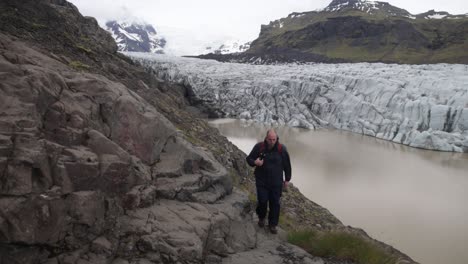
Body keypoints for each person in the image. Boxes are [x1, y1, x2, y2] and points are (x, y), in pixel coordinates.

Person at [246, 128, 291, 234]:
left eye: (274, 139)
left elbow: (287, 166)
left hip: (276, 182)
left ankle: (273, 224)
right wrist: (255, 162)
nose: (272, 142)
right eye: (270, 139)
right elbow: (249, 159)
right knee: (262, 201)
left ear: (277, 138)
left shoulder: (281, 149)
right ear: (266, 138)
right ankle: (261, 217)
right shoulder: (259, 147)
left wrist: (287, 179)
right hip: (262, 181)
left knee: (275, 203)